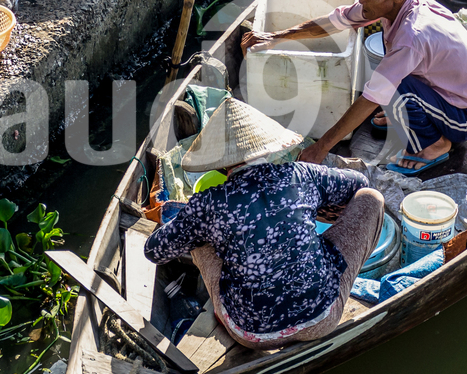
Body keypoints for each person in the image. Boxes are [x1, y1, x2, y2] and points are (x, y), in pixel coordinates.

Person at [143, 97, 385, 350]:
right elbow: (359, 185)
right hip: (322, 318)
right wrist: (312, 210)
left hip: (249, 333)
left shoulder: (208, 203)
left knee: (198, 237)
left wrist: (198, 222)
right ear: (267, 147)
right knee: (372, 199)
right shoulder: (300, 174)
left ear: (222, 163)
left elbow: (154, 250)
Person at [241, 0, 467, 175]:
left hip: (465, 113)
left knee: (390, 88)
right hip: (441, 88)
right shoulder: (397, 5)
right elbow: (333, 21)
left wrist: (322, 147)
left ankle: (435, 145)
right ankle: (413, 113)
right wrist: (276, 37)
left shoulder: (412, 34)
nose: (361, 1)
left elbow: (371, 97)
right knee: (389, 84)